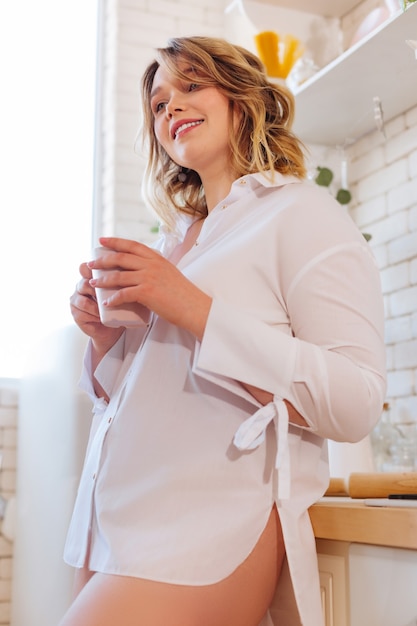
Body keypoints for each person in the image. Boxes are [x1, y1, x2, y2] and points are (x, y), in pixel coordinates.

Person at [59, 36, 386, 626]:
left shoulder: (302, 213)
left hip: (203, 528)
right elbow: (157, 393)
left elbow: (357, 401)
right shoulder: (174, 240)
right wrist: (107, 343)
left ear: (241, 97)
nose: (171, 108)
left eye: (189, 86)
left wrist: (191, 306)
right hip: (114, 526)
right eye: (158, 104)